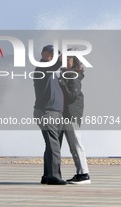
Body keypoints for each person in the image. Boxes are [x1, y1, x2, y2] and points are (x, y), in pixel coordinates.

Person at [33, 45, 67, 185]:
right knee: (53, 145)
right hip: (47, 112)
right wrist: (60, 60)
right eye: (50, 54)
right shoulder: (41, 67)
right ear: (43, 54)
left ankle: (47, 175)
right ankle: (54, 177)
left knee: (52, 145)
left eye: (56, 54)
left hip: (55, 112)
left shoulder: (53, 73)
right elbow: (55, 65)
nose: (53, 56)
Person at [59, 53, 91, 184]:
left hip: (72, 115)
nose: (66, 60)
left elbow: (72, 96)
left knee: (76, 144)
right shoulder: (67, 73)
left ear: (75, 61)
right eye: (65, 58)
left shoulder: (73, 75)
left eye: (69, 58)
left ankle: (84, 174)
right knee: (73, 146)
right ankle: (80, 173)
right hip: (68, 114)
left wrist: (61, 84)